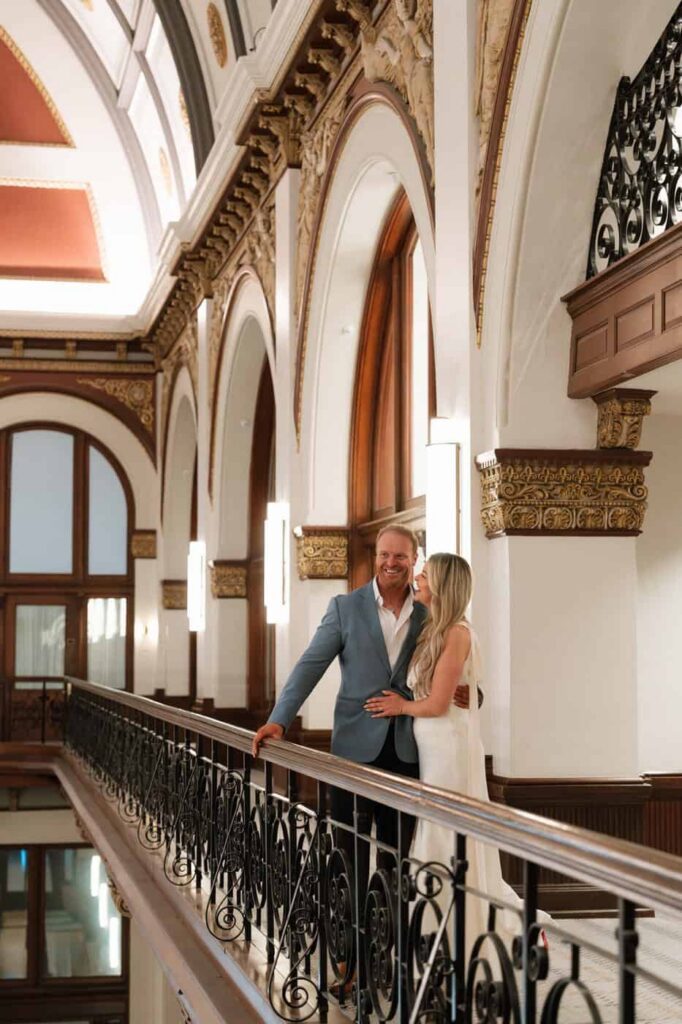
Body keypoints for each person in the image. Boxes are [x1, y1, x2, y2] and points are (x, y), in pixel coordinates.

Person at [364, 553, 542, 953]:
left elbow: (438, 702)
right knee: (435, 823)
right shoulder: (432, 628)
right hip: (429, 742)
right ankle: (435, 920)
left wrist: (401, 706)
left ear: (444, 584)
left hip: (447, 742)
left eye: (425, 575)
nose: (418, 579)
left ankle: (451, 924)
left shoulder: (457, 632)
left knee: (445, 825)